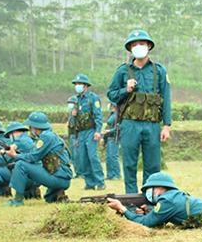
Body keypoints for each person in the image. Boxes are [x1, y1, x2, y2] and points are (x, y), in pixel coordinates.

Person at [107, 30, 171, 193]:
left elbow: (166, 98)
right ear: (130, 48)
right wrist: (125, 89)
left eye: (142, 44)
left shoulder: (159, 71)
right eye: (134, 45)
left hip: (152, 125)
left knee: (153, 165)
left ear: (149, 46)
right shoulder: (122, 71)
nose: (138, 47)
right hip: (129, 124)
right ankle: (131, 200)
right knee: (129, 164)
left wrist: (166, 126)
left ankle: (150, 199)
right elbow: (111, 95)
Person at [3, 112, 72, 206]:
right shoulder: (52, 136)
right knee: (49, 198)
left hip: (58, 178)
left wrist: (15, 155)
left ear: (33, 127)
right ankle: (55, 193)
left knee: (20, 164)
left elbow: (33, 157)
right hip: (63, 178)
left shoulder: (46, 137)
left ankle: (17, 200)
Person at [72, 74, 105, 190]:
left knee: (92, 156)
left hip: (91, 131)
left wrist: (98, 131)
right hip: (81, 132)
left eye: (79, 84)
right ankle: (89, 183)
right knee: (83, 157)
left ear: (85, 85)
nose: (77, 86)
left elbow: (98, 116)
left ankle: (100, 182)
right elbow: (76, 121)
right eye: (76, 84)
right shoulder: (77, 100)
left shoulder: (92, 98)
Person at [101, 99, 122, 180]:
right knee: (109, 157)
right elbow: (108, 126)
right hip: (109, 137)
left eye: (109, 103)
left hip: (114, 137)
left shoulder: (118, 114)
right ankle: (110, 175)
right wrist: (103, 137)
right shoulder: (111, 114)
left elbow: (118, 127)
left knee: (113, 156)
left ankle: (117, 174)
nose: (108, 104)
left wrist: (109, 131)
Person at [66, 96, 84, 179]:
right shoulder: (71, 114)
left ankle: (80, 173)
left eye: (71, 103)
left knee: (77, 155)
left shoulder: (78, 113)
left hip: (76, 136)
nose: (70, 105)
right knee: (73, 155)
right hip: (71, 136)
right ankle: (77, 172)